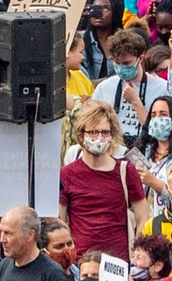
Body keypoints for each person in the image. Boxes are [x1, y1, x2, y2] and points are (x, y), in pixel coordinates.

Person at [59, 100, 149, 259]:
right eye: (93, 132)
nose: (99, 138)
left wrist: (138, 255)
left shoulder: (126, 171)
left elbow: (143, 217)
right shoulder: (66, 174)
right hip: (81, 263)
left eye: (105, 132)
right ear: (81, 135)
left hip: (119, 263)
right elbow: (60, 221)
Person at [91, 30, 168, 145]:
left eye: (127, 63)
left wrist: (136, 102)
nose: (121, 67)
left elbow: (160, 135)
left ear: (140, 59)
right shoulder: (104, 87)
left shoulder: (163, 88)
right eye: (117, 63)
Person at [0, 206, 66, 281]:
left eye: (8, 233)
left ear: (30, 235)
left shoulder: (52, 274)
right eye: (1, 232)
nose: (2, 239)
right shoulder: (4, 265)